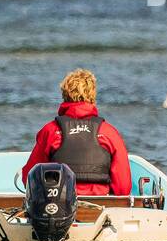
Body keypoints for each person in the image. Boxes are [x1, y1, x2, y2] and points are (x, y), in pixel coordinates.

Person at [22, 69, 131, 197]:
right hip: (99, 207)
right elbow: (123, 188)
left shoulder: (50, 131)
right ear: (93, 96)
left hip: (58, 208)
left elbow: (28, 179)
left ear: (65, 95)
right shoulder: (109, 133)